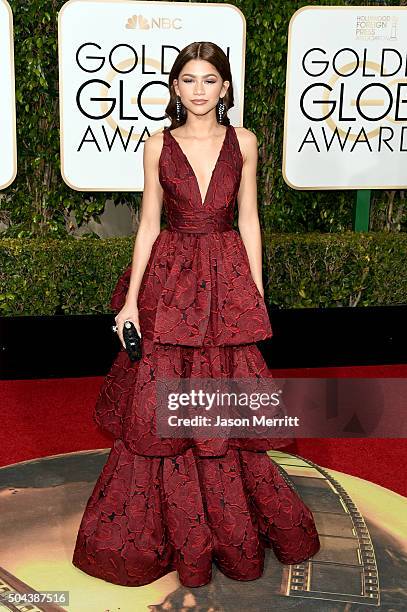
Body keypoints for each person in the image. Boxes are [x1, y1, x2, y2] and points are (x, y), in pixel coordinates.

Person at [72, 41, 320, 589]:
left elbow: (250, 219)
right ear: (175, 88)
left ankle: (233, 530)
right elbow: (148, 226)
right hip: (172, 283)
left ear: (226, 87)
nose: (199, 89)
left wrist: (253, 292)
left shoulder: (246, 143)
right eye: (188, 80)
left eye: (210, 79)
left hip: (226, 282)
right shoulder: (156, 145)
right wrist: (132, 300)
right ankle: (177, 534)